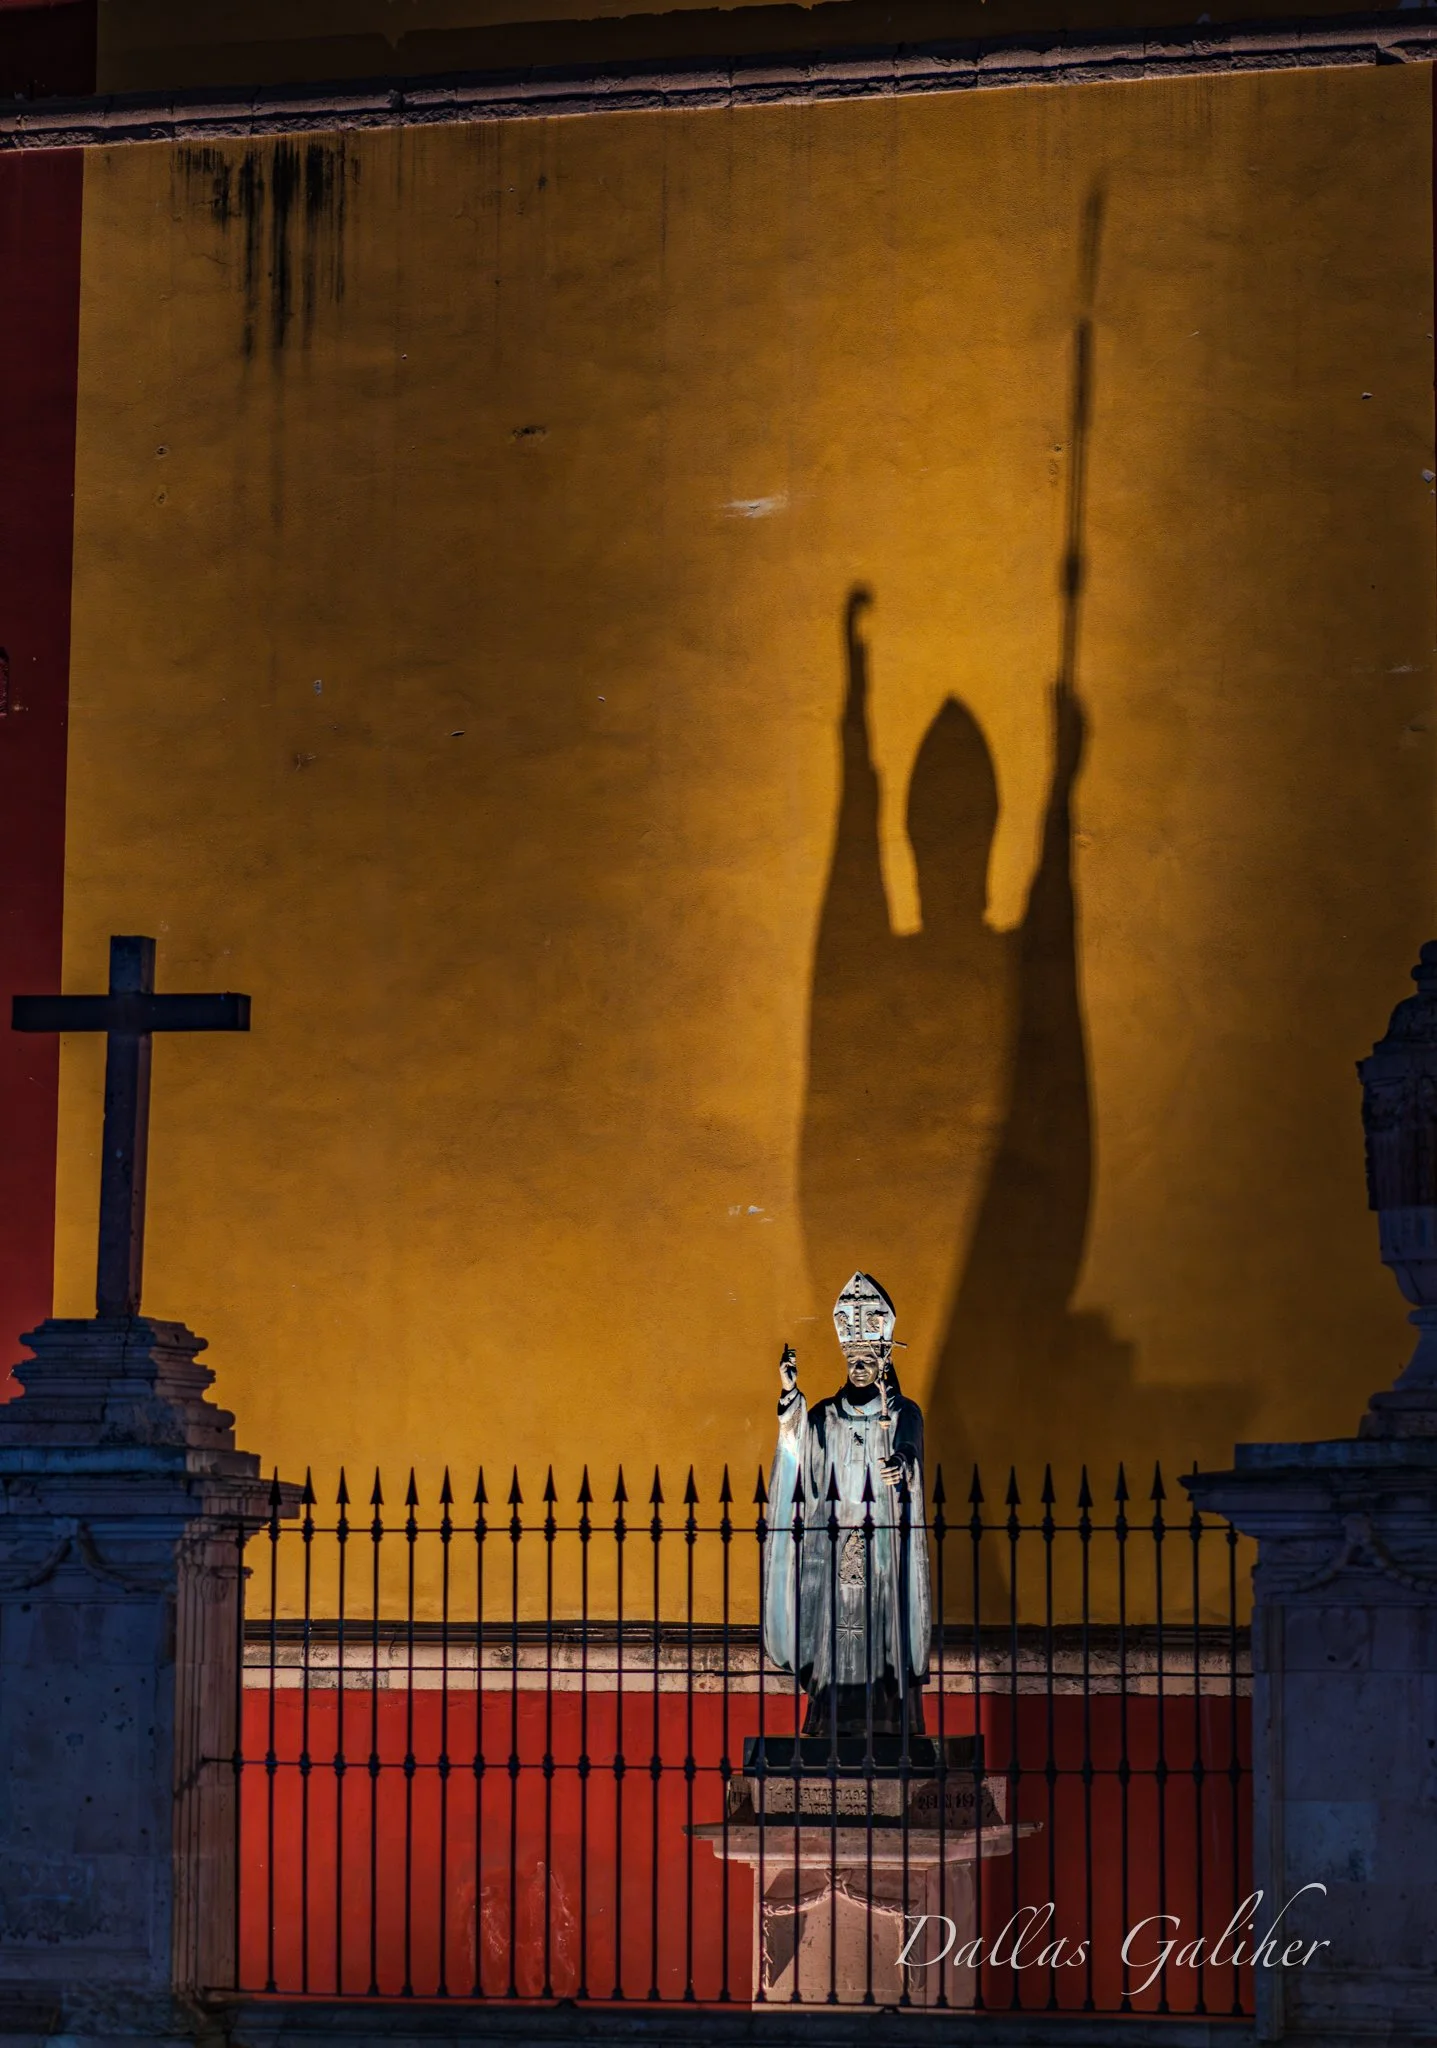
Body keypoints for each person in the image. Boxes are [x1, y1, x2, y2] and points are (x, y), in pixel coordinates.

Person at [763, 1272, 931, 1739]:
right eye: (852, 1357)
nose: (859, 1365)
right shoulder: (822, 1416)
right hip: (834, 1550)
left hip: (883, 1551)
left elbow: (911, 1454)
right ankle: (829, 1721)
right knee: (834, 1639)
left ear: (882, 1359)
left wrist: (903, 1466)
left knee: (881, 1636)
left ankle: (891, 1724)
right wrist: (790, 1399)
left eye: (868, 1357)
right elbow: (797, 1458)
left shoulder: (901, 1413)